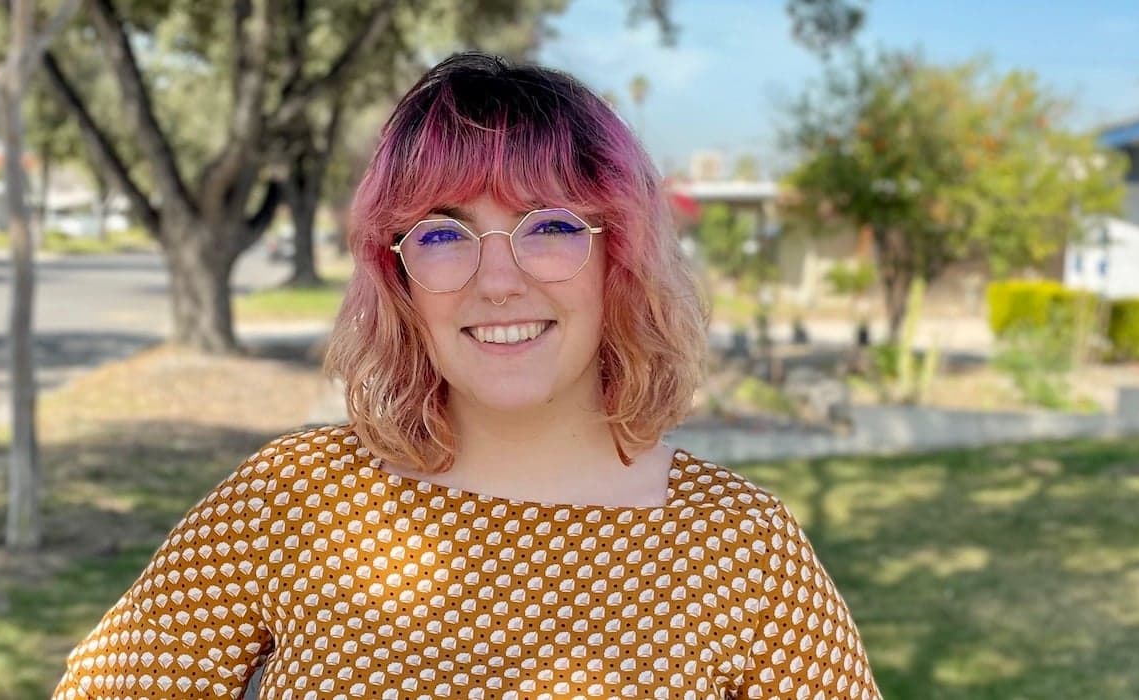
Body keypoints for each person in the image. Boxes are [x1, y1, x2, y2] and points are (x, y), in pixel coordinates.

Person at [52, 51, 882, 700]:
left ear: (618, 259)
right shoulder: (293, 501)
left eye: (548, 226)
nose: (498, 280)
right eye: (444, 235)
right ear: (398, 273)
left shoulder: (739, 545)